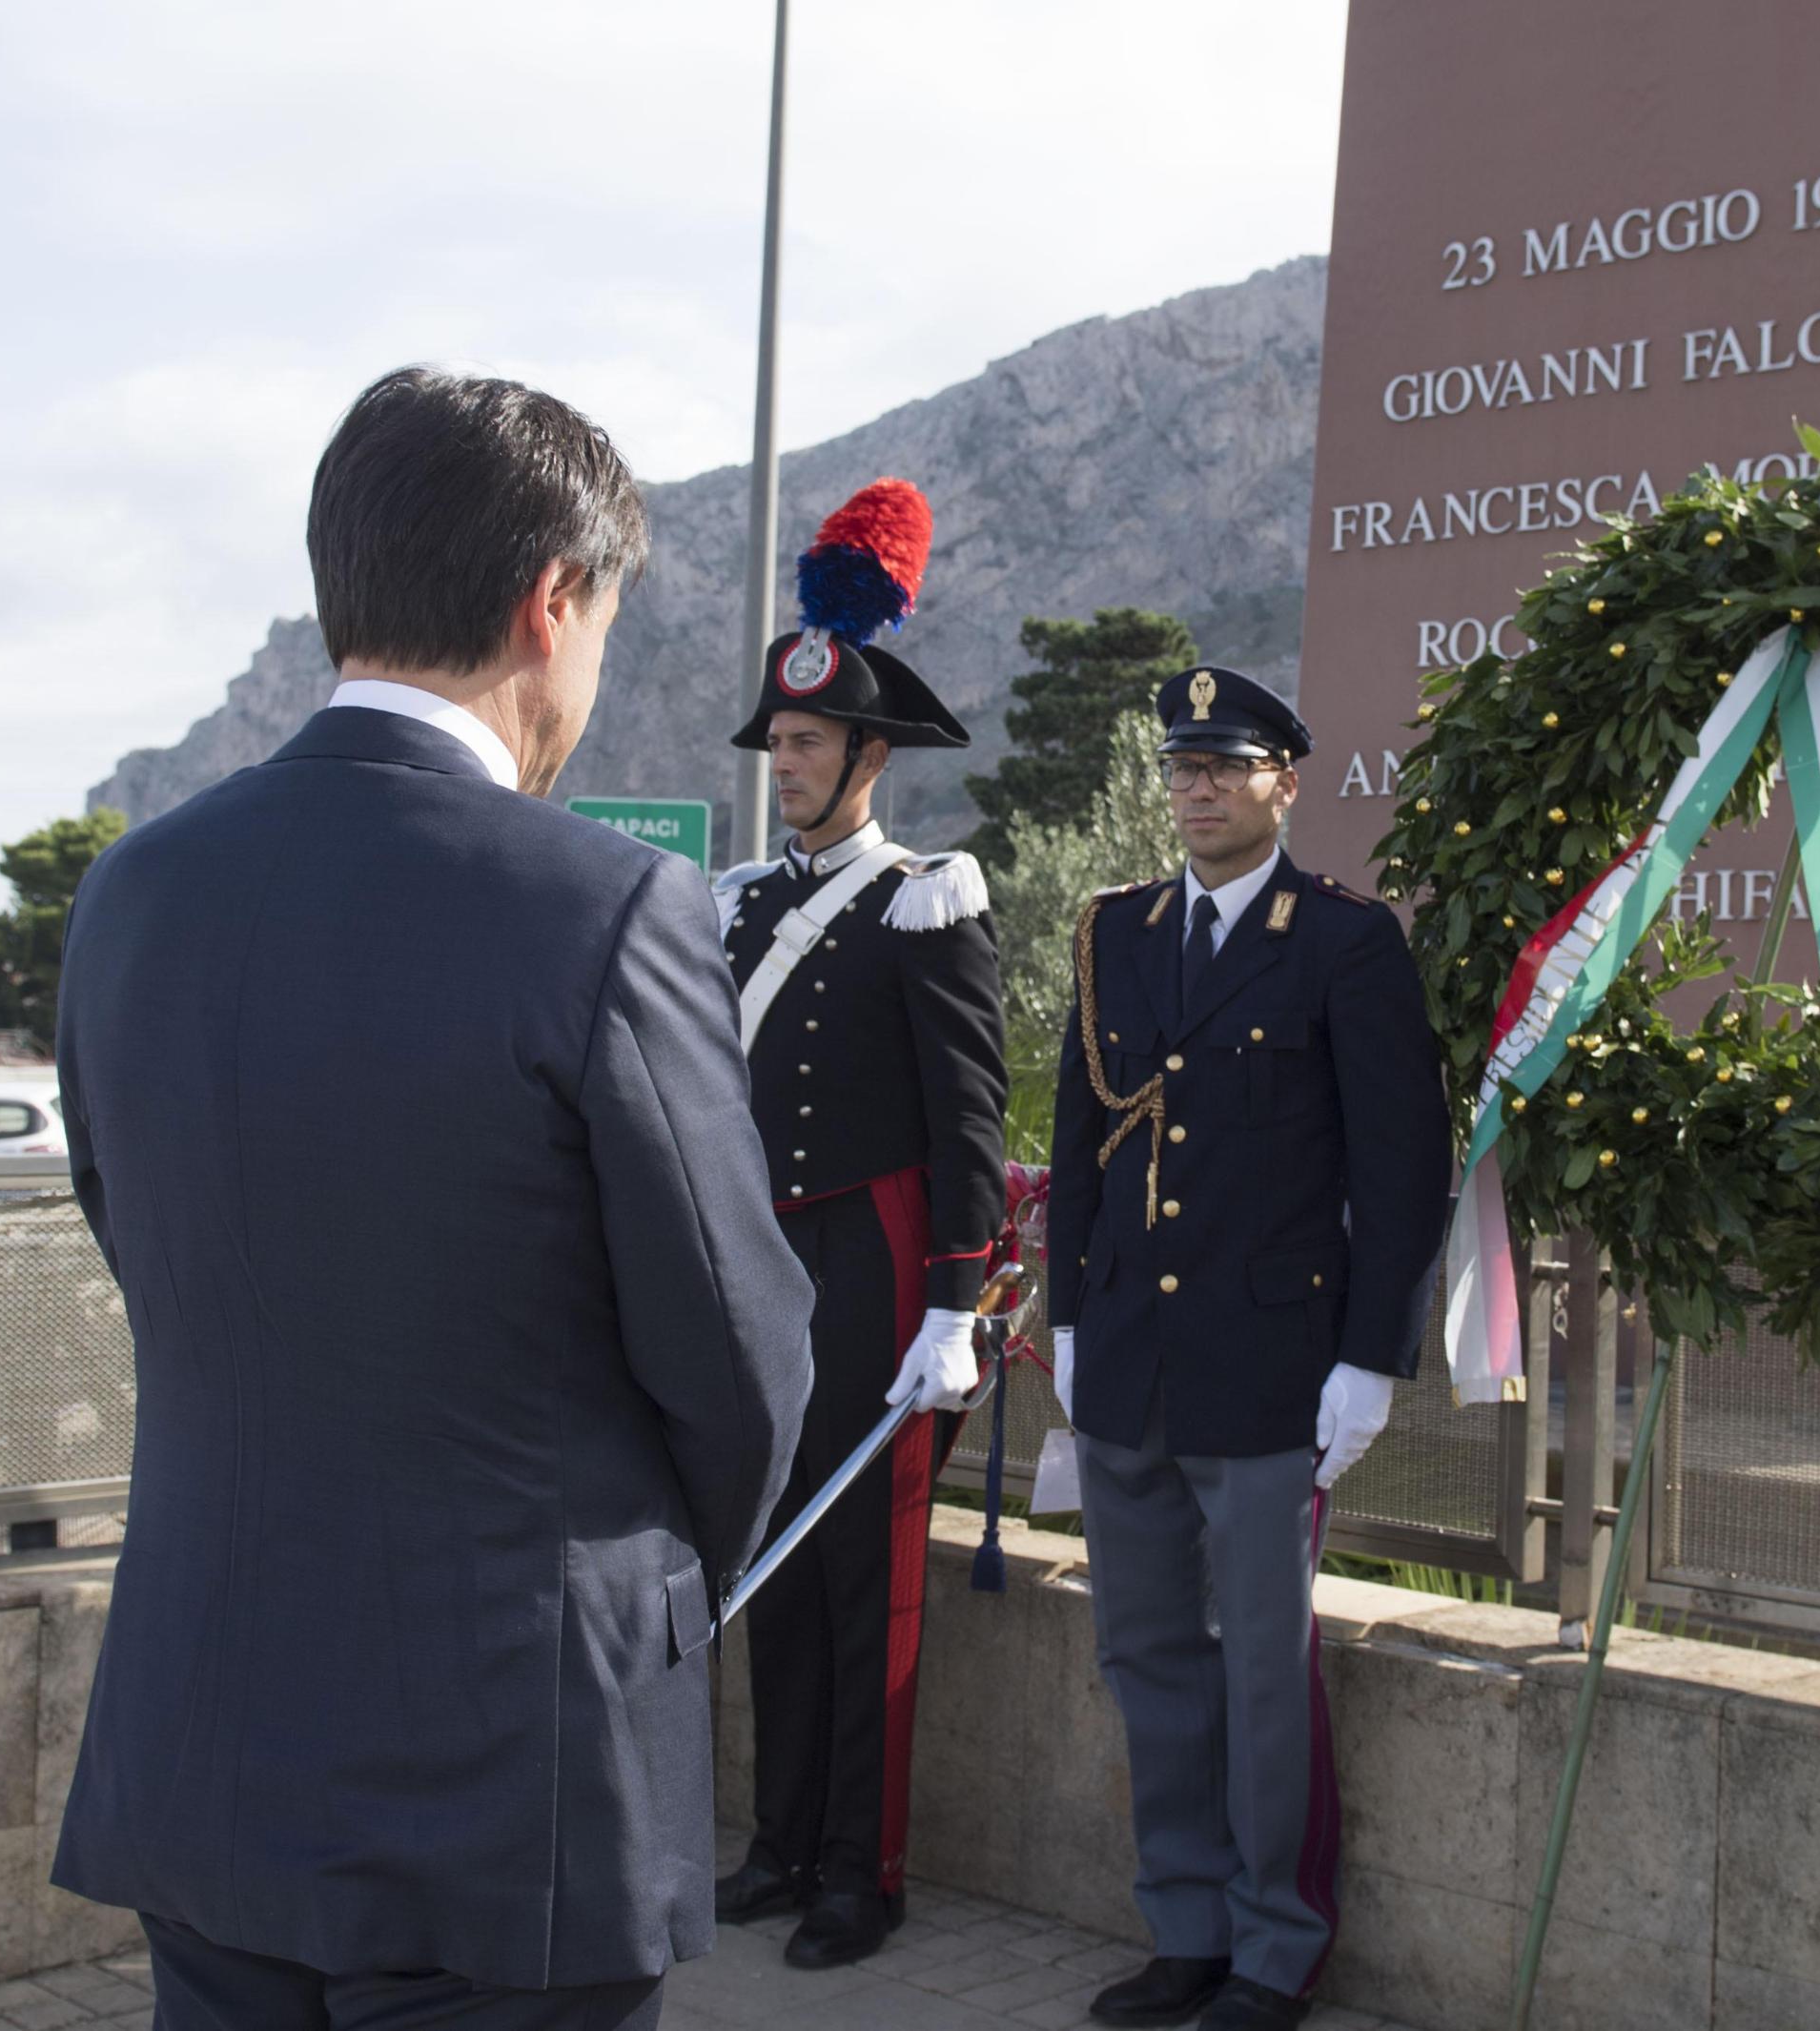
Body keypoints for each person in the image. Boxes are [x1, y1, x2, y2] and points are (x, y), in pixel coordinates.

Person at [51, 366, 814, 2030]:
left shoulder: (131, 897)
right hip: (508, 1787)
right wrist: (643, 1597)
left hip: (210, 1750)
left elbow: (150, 1255)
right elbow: (740, 1358)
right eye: (606, 623)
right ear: (553, 601)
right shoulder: (607, 909)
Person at [1047, 667, 1452, 2031]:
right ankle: (1187, 1925)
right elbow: (1075, 1141)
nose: (1198, 788)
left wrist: (1373, 1355)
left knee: (1265, 1668)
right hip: (1130, 1357)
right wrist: (1061, 1312)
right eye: (1182, 766)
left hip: (1276, 1368)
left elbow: (1404, 1166)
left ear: (1287, 779)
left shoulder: (1343, 941)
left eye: (1227, 765)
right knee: (1147, 1653)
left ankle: (1277, 1945)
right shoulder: (1117, 933)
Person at [706, 479, 1011, 1968]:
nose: (787, 769)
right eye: (780, 746)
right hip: (769, 1272)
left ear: (870, 757)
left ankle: (858, 1869)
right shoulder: (743, 911)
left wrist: (956, 1304)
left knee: (866, 1576)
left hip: (880, 1272)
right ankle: (775, 1838)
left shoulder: (927, 899)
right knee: (771, 1559)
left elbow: (970, 1120)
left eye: (810, 746)